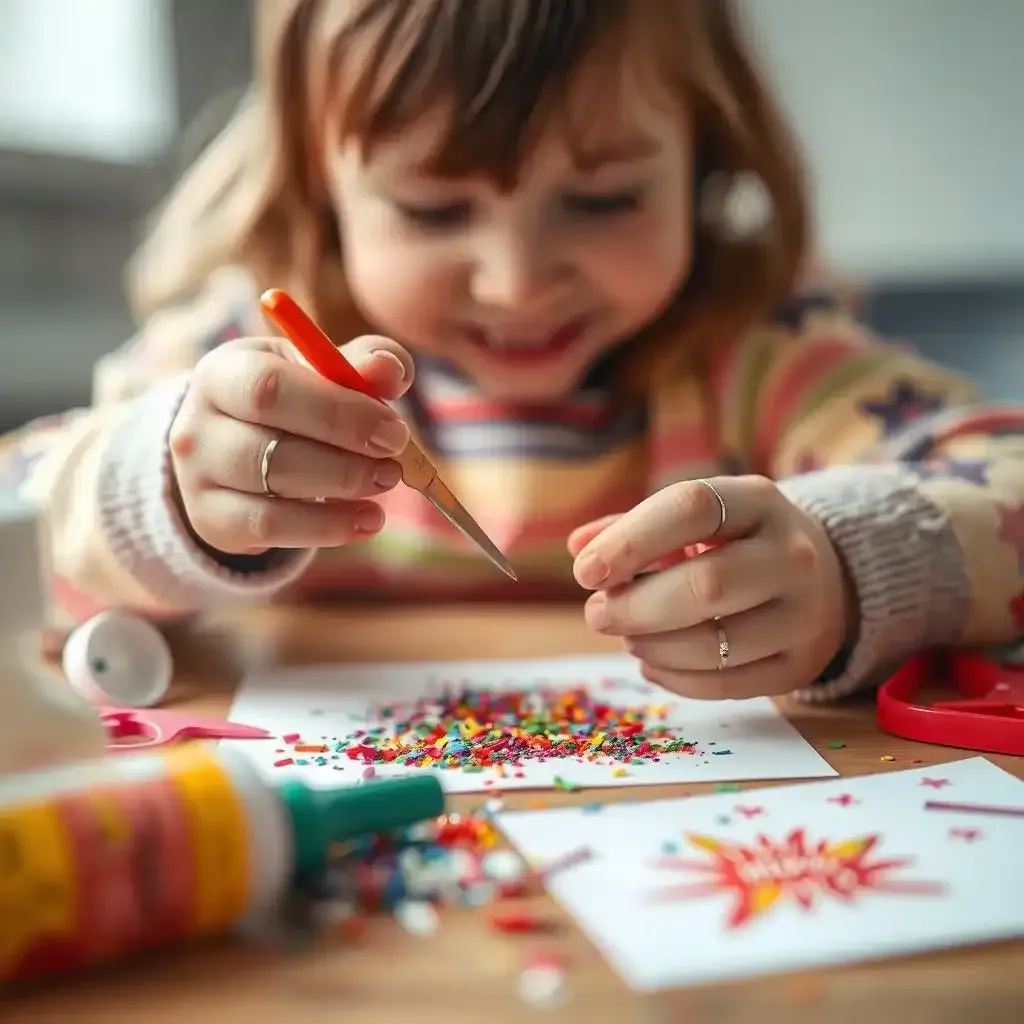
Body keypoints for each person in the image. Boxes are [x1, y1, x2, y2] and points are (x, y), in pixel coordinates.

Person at [3, 0, 1022, 704]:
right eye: (433, 209)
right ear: (322, 190)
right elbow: (19, 525)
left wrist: (853, 569)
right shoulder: (243, 363)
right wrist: (160, 497)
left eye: (604, 199)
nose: (518, 282)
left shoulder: (761, 357)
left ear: (707, 163)